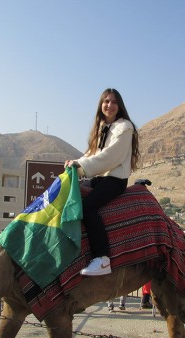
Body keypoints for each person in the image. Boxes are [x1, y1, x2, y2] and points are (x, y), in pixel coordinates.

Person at [65, 88, 140, 276]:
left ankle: (102, 258)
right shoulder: (100, 128)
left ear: (119, 106)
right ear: (101, 105)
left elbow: (110, 157)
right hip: (99, 178)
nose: (110, 105)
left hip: (114, 180)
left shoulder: (124, 127)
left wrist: (80, 165)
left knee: (88, 207)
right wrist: (75, 163)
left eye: (114, 102)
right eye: (106, 101)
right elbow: (93, 153)